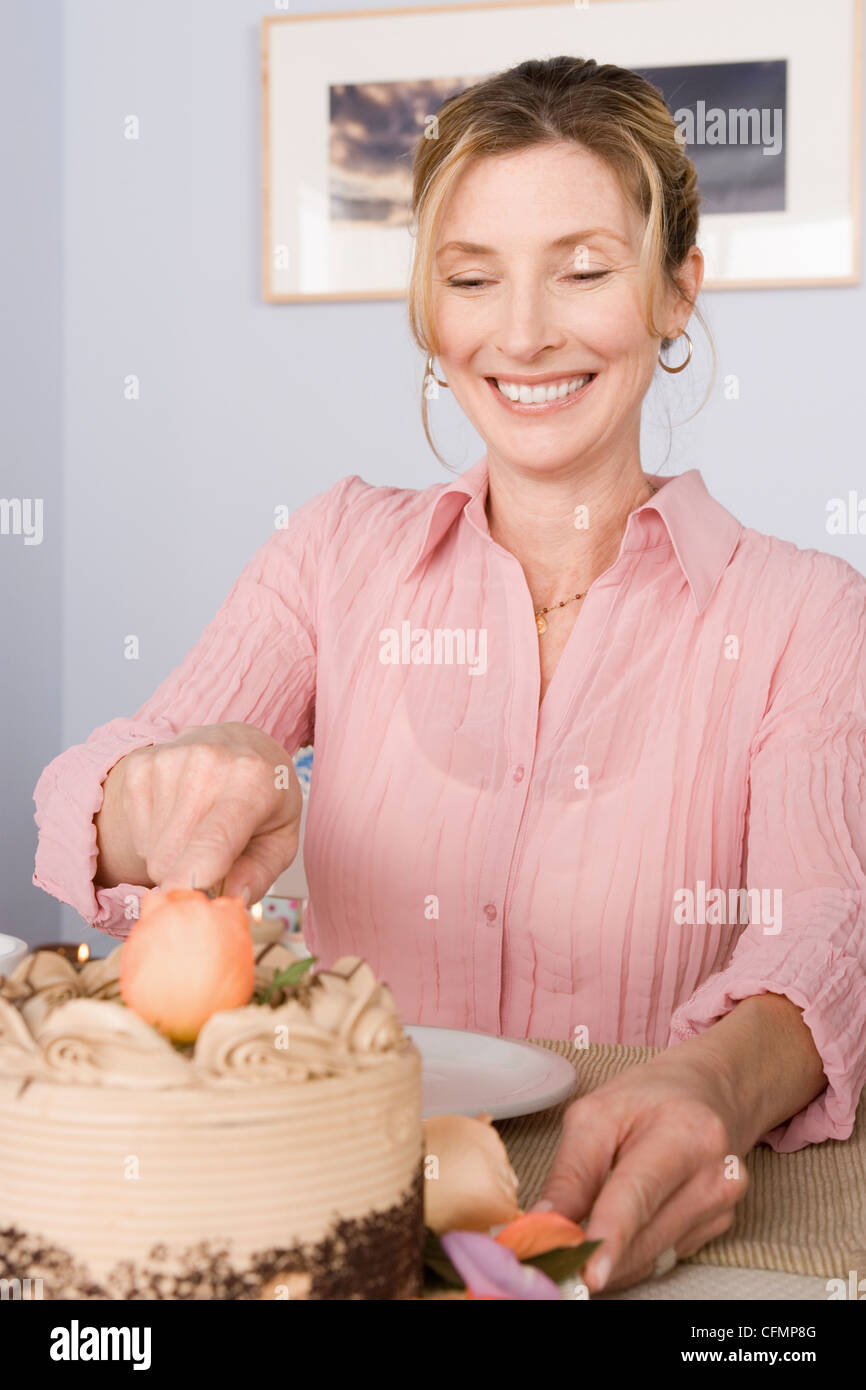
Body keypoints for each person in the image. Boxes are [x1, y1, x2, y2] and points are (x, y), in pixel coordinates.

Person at [33, 56, 866, 1294]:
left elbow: (826, 933)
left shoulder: (806, 612)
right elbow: (100, 785)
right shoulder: (333, 552)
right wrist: (159, 797)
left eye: (583, 271)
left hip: (654, 1231)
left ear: (676, 290)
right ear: (429, 310)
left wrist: (714, 1077)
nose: (521, 331)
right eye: (472, 278)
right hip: (341, 1219)